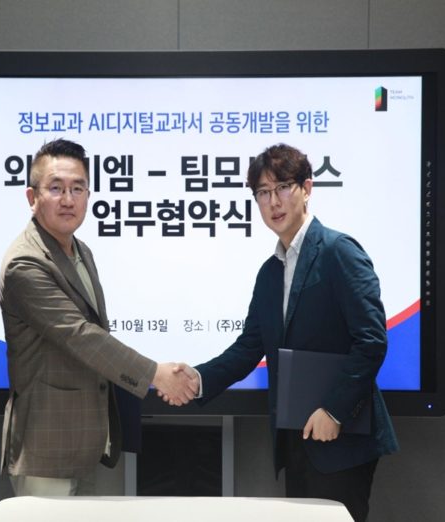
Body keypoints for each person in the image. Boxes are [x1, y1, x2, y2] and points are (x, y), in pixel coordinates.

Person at [169, 143, 398, 521]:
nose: (273, 202)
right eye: (263, 192)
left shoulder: (338, 251)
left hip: (341, 437)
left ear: (307, 188)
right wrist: (197, 378)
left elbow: (371, 341)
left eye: (283, 187)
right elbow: (249, 347)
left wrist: (335, 410)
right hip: (296, 437)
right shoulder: (270, 272)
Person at [0, 138, 197, 496]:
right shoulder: (25, 264)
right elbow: (80, 336)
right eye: (56, 188)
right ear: (32, 197)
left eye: (78, 188)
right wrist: (155, 375)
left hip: (85, 443)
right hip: (46, 447)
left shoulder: (80, 250)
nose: (68, 199)